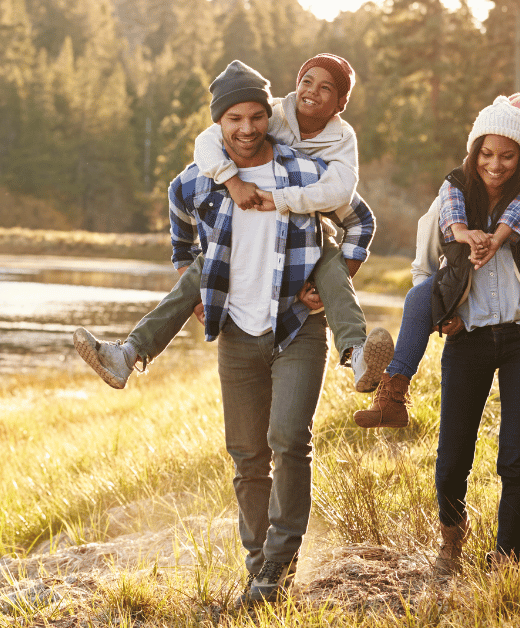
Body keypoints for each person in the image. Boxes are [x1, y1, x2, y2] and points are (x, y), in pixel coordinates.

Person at [163, 61, 373, 608]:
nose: (248, 128)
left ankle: (278, 565)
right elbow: (179, 215)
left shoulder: (304, 170)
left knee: (289, 441)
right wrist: (189, 274)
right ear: (220, 123)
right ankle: (260, 570)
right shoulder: (201, 176)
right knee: (247, 455)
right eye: (235, 118)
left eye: (257, 116)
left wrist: (334, 278)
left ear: (267, 117)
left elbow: (359, 217)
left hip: (297, 325)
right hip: (236, 328)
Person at [73, 54, 392, 395]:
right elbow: (208, 141)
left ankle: (357, 354)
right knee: (203, 267)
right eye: (307, 81)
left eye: (326, 88)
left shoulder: (341, 141)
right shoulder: (271, 116)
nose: (247, 127)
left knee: (331, 265)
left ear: (341, 103)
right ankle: (128, 354)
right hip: (242, 233)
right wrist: (232, 181)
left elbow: (346, 195)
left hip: (312, 232)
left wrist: (329, 275)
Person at [396, 97, 520, 572]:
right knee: (452, 455)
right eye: (488, 153)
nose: (497, 164)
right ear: (478, 149)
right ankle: (450, 541)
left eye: (508, 153)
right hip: (467, 340)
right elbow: (422, 270)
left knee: (516, 457)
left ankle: (507, 557)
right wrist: (444, 313)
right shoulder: (452, 201)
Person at [353, 92, 520, 429]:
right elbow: (433, 239)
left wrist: (498, 238)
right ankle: (393, 390)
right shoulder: (459, 184)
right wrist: (445, 308)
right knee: (417, 297)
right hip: (467, 308)